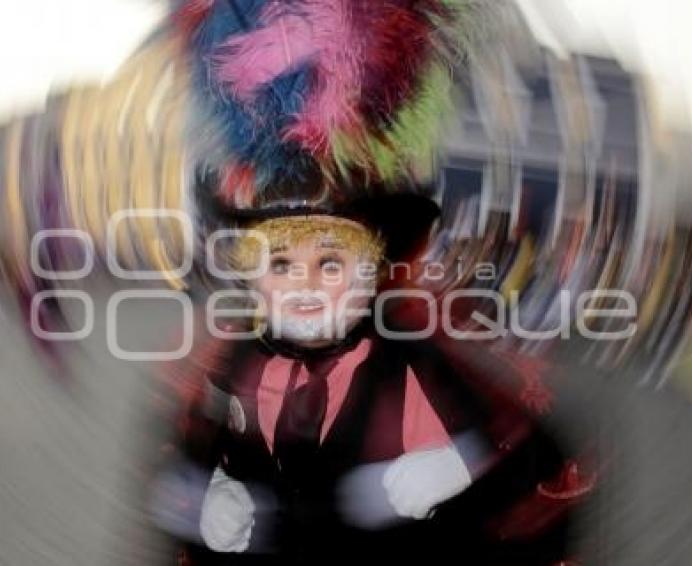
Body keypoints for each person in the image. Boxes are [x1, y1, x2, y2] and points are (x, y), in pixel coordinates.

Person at [150, 167, 588, 566]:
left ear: (367, 275)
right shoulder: (233, 362)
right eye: (281, 264)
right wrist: (205, 497)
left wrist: (463, 462)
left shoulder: (412, 361)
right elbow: (190, 451)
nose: (305, 286)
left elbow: (533, 457)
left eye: (329, 263)